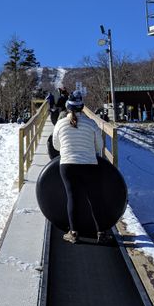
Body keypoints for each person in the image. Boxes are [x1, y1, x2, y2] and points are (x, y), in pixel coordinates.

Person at [52, 90, 104, 244]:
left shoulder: (61, 124)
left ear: (68, 107)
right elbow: (99, 146)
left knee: (72, 197)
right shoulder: (91, 123)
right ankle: (101, 232)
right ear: (82, 107)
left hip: (67, 165)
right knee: (94, 198)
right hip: (88, 164)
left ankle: (73, 233)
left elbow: (56, 145)